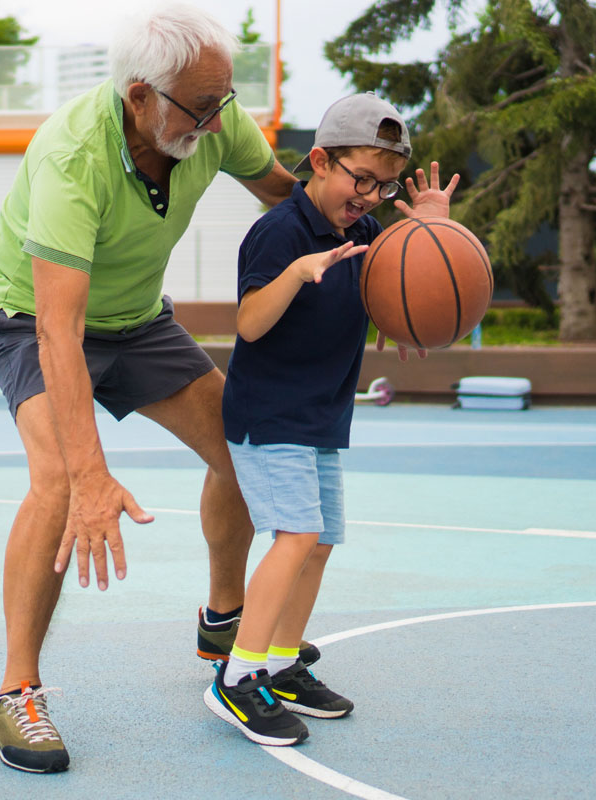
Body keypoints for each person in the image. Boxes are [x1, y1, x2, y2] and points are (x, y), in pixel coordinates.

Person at [0, 3, 299, 773]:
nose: (219, 121)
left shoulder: (216, 123)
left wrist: (370, 227)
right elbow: (59, 330)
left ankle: (224, 623)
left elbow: (287, 197)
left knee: (245, 449)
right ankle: (14, 694)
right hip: (29, 317)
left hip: (138, 320)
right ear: (139, 97)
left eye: (225, 101)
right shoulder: (71, 157)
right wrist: (90, 473)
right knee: (55, 484)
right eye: (202, 105)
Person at [204, 93, 458, 745]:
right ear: (320, 160)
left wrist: (427, 234)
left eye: (385, 184)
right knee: (294, 536)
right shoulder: (280, 233)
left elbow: (393, 284)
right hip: (269, 414)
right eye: (361, 179)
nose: (371, 195)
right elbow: (249, 323)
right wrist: (297, 272)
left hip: (320, 415)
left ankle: (283, 663)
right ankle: (238, 678)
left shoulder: (367, 234)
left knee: (318, 542)